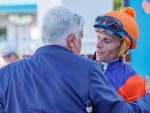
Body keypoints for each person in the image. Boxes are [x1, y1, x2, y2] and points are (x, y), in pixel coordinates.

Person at [0, 5, 150, 113]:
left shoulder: (4, 74)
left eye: (107, 40)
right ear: (72, 40)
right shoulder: (88, 70)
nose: (97, 44)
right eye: (82, 38)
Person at [93, 7, 147, 102]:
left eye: (107, 40)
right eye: (98, 37)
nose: (98, 45)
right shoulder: (86, 69)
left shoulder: (135, 82)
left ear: (124, 47)